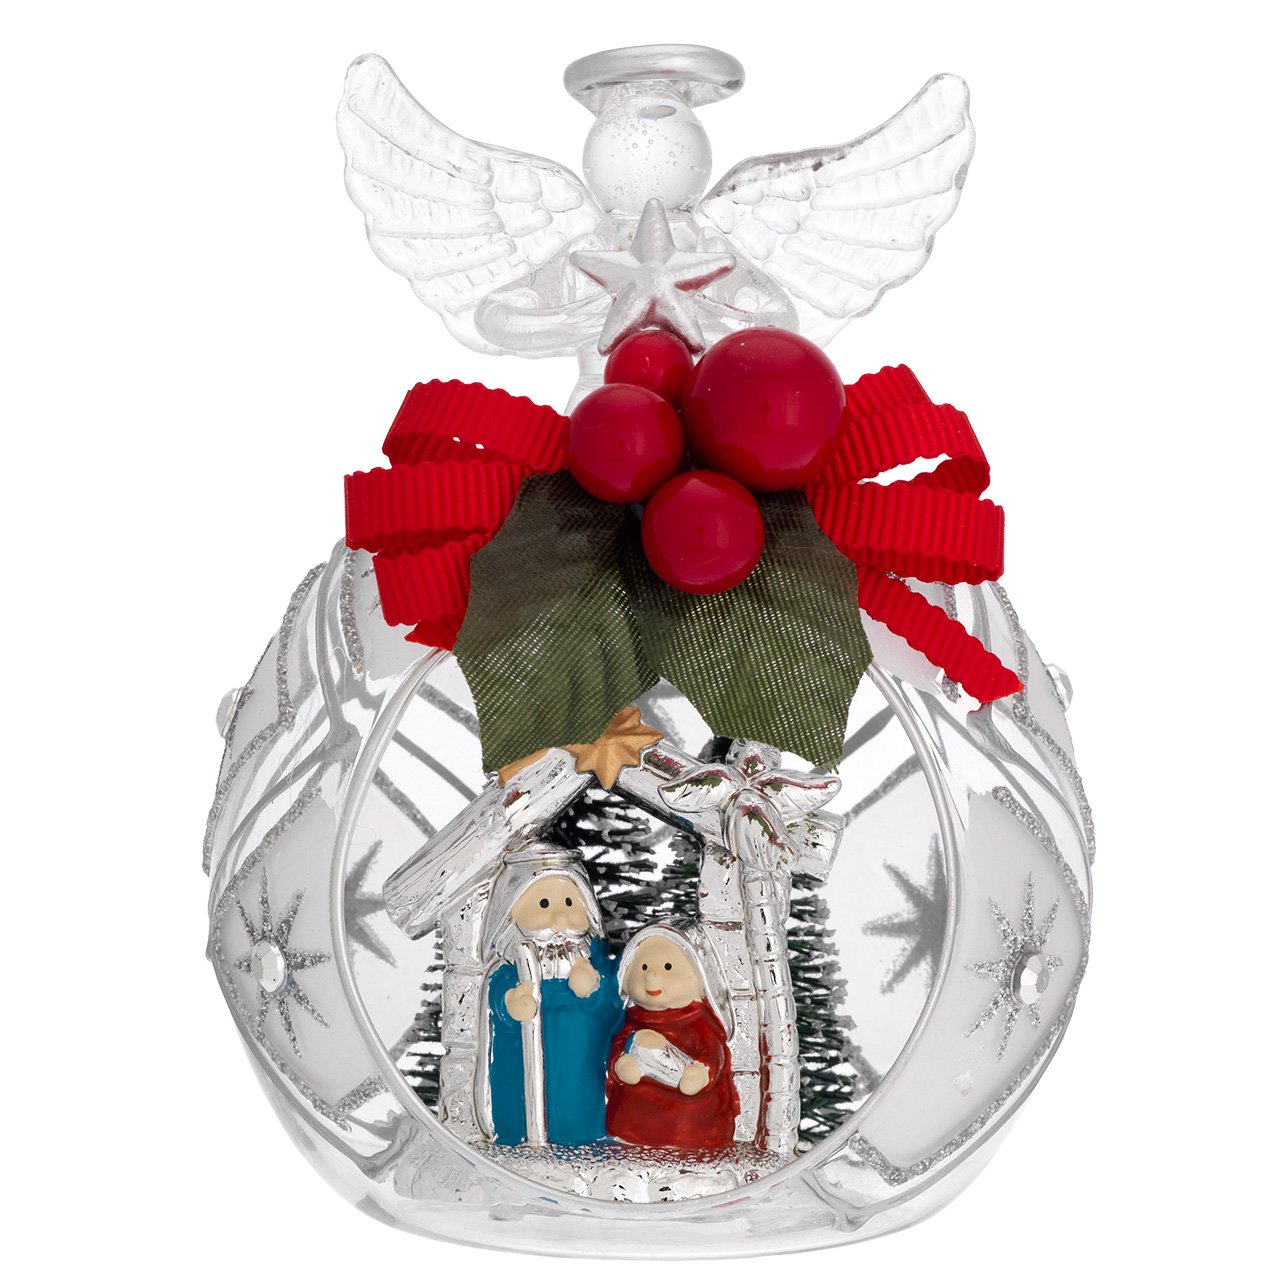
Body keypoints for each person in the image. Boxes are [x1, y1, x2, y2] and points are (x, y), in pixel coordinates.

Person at [481, 845, 622, 1146]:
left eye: (570, 902)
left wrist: (594, 990)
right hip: (521, 1069)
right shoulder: (511, 968)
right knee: (519, 1098)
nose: (560, 919)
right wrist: (512, 1004)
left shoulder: (592, 960)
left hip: (580, 1065)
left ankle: (583, 1136)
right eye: (544, 904)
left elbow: (613, 1009)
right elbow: (497, 1000)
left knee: (580, 1104)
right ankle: (514, 1137)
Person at [606, 923, 739, 1150]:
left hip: (688, 1126)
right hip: (634, 1122)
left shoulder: (698, 1021)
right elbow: (618, 1046)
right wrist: (621, 1064)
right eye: (643, 967)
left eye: (668, 967)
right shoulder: (632, 1021)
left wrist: (702, 1071)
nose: (651, 976)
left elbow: (713, 1051)